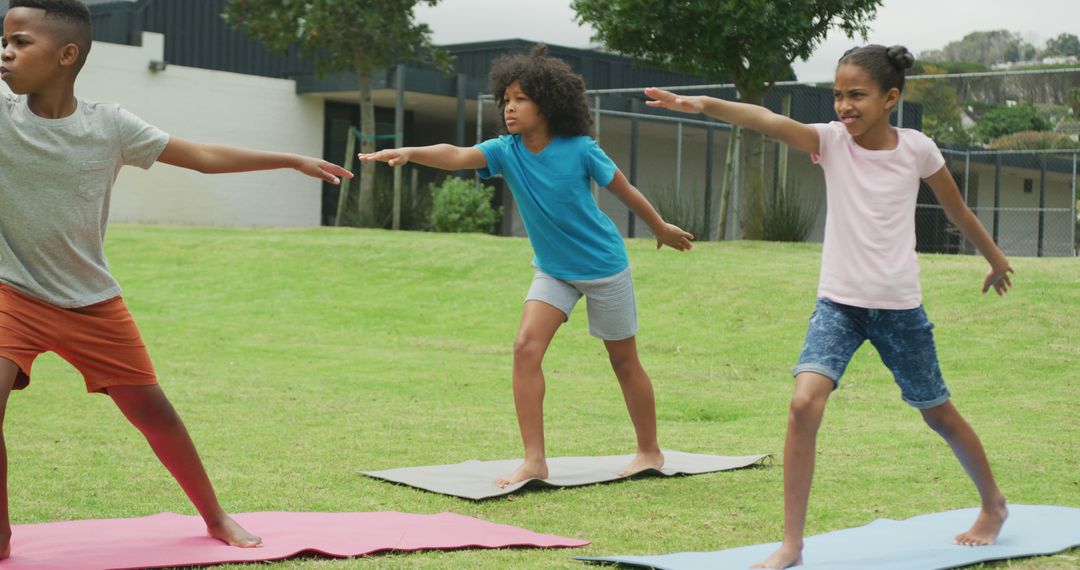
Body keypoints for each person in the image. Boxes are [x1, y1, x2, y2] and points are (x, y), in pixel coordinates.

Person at [0, 0, 353, 558]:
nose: (6, 51)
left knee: (156, 416)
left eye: (20, 42)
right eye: (4, 40)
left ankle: (214, 515)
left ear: (66, 55)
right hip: (10, 294)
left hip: (90, 302)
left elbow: (204, 155)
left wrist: (288, 159)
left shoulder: (108, 126)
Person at [646, 44, 1012, 569]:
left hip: (899, 309)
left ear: (891, 98)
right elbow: (767, 119)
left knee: (939, 414)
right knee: (802, 404)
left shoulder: (917, 150)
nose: (844, 105)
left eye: (856, 95)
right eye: (838, 95)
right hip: (838, 305)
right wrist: (703, 104)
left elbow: (956, 210)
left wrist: (996, 260)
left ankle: (993, 505)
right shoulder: (831, 142)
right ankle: (792, 544)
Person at [359, 45, 693, 488]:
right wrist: (410, 151)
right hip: (554, 269)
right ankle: (534, 461)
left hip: (603, 266)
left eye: (521, 98)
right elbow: (456, 154)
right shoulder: (505, 150)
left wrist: (661, 228)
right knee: (524, 349)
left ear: (547, 103)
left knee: (624, 362)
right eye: (506, 99)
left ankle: (649, 451)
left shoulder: (580, 150)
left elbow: (625, 190)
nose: (510, 107)